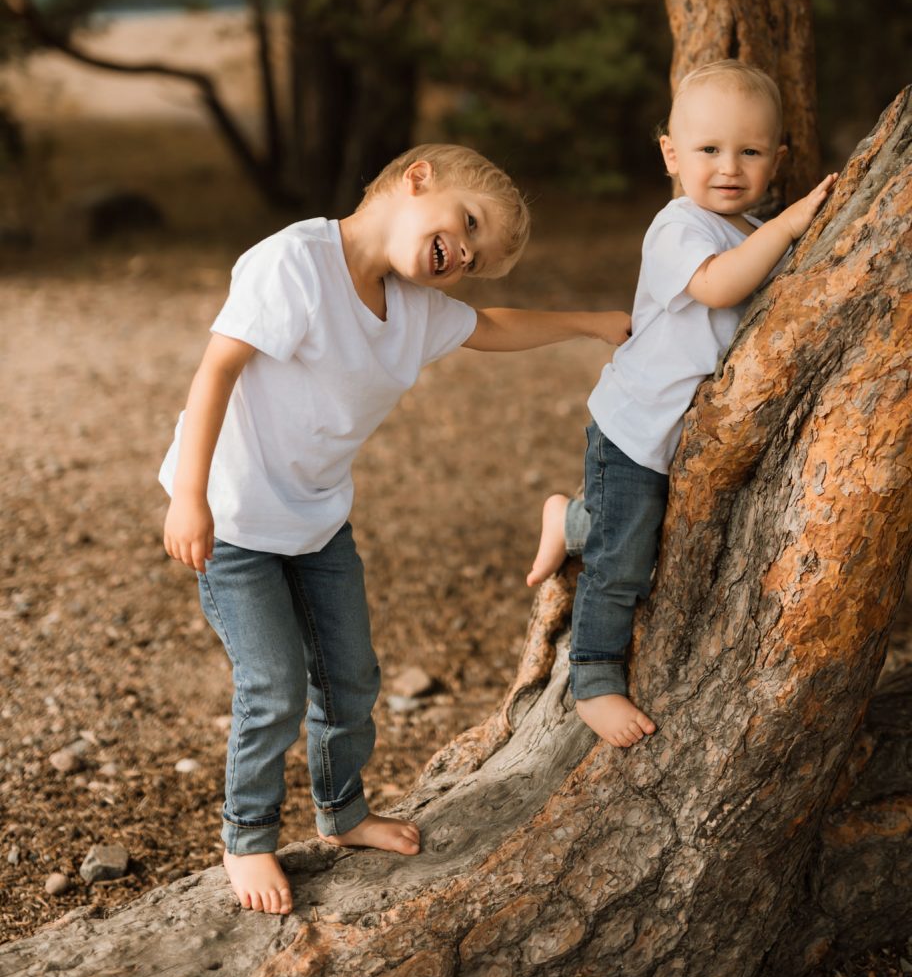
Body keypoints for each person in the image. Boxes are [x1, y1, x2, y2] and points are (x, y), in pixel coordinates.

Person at [161, 143, 631, 916]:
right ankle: (246, 835)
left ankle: (341, 810)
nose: (465, 255)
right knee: (273, 684)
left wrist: (591, 323)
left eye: (476, 260)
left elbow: (492, 324)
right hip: (234, 516)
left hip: (316, 519)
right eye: (468, 224)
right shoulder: (295, 263)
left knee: (351, 676)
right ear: (417, 179)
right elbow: (217, 370)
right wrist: (189, 496)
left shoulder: (412, 306)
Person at [526, 61, 838, 749]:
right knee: (623, 564)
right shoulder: (679, 226)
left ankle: (570, 518)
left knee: (643, 533)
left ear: (777, 158)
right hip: (636, 427)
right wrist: (789, 225)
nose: (729, 167)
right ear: (671, 154)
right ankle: (593, 678)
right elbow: (720, 287)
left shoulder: (747, 230)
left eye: (750, 151)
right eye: (709, 149)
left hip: (676, 436)